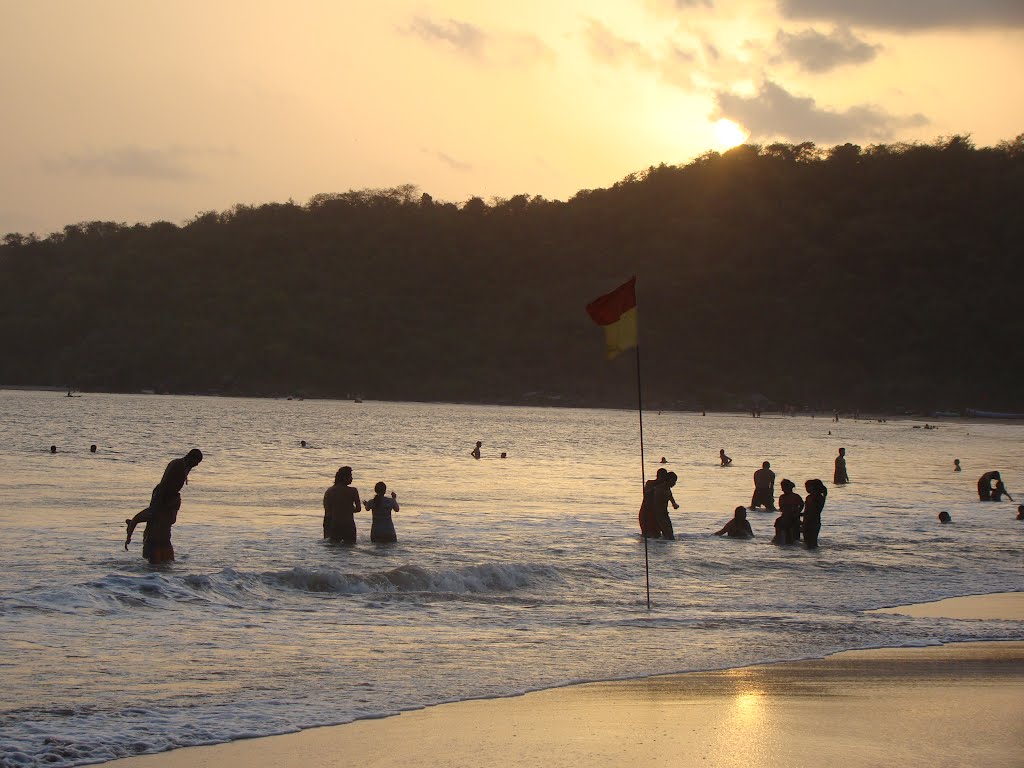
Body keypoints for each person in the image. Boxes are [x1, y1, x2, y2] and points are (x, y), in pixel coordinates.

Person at [124, 448, 203, 563]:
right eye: (196, 462)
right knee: (152, 519)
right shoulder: (177, 465)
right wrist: (128, 537)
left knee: (167, 560)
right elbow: (164, 485)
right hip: (161, 499)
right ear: (191, 457)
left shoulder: (186, 465)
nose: (196, 465)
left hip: (163, 534)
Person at [323, 466, 361, 543]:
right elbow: (358, 509)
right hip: (348, 524)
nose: (352, 478)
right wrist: (348, 509)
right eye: (350, 476)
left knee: (333, 550)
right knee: (349, 549)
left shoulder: (330, 491)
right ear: (344, 477)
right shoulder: (353, 491)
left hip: (334, 524)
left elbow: (327, 511)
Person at [772, 479, 804, 545]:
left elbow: (802, 505)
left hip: (793, 518)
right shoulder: (782, 497)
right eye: (782, 487)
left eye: (783, 487)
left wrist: (797, 513)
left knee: (794, 538)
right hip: (785, 518)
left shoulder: (796, 496)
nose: (782, 489)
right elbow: (782, 508)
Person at [802, 479, 827, 548]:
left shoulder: (813, 498)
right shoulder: (820, 497)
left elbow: (810, 511)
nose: (806, 489)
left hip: (810, 521)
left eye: (807, 487)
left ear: (813, 487)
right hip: (815, 521)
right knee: (812, 543)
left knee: (808, 543)